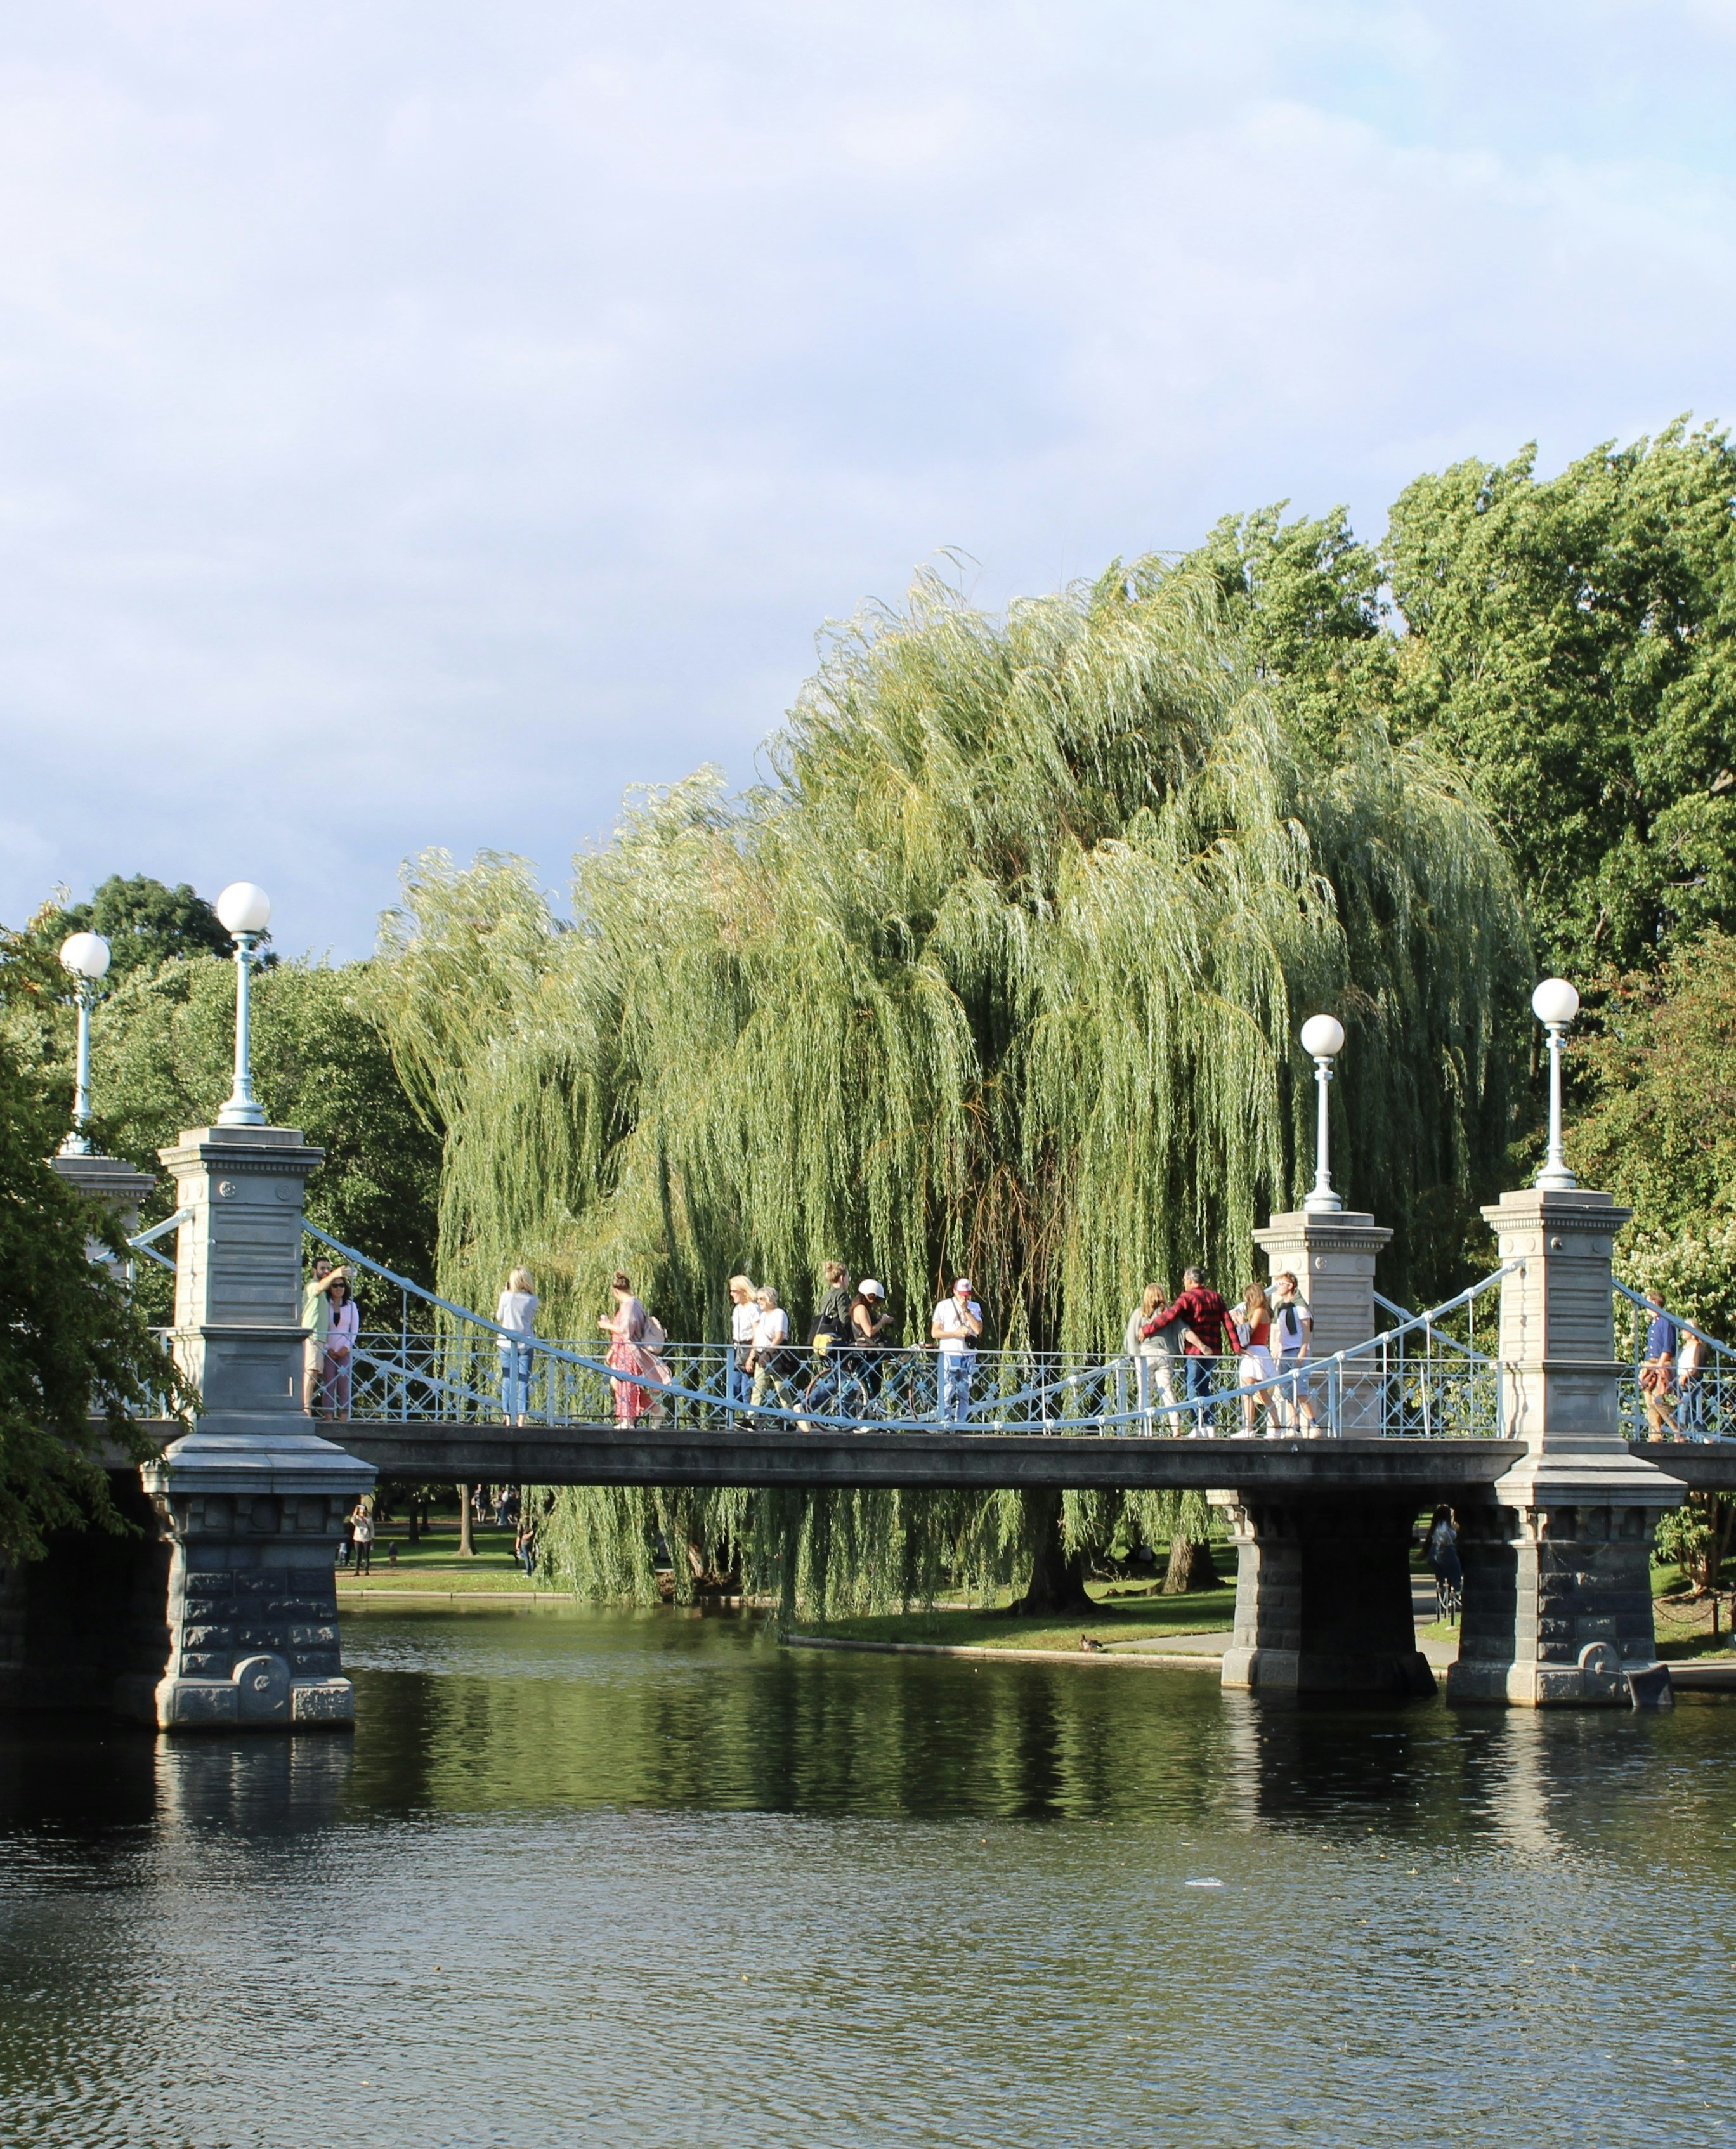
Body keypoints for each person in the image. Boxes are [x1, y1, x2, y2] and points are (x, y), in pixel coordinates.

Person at [1149, 1269, 1228, 1436]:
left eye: (1185, 1280)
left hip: (1194, 1351)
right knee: (1205, 1387)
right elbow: (1227, 1322)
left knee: (1192, 1386)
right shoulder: (1216, 1297)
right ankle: (1210, 1426)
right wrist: (1236, 1347)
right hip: (1213, 1351)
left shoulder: (1187, 1298)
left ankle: (1197, 1426)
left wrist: (1147, 1329)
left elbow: (1169, 1316)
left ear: (1191, 1281)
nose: (1184, 1283)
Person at [599, 1272, 658, 1426]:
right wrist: (613, 1349)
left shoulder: (629, 1306)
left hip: (628, 1352)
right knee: (623, 1384)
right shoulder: (635, 1303)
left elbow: (625, 1331)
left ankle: (628, 1420)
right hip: (624, 1351)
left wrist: (607, 1325)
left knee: (625, 1384)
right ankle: (654, 1410)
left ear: (616, 1291)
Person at [1123, 1284, 1180, 1430]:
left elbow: (1131, 1336)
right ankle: (1176, 1427)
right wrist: (1174, 1353)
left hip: (1145, 1356)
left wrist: (1135, 1355)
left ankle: (1145, 1427)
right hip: (1164, 1355)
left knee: (1144, 1393)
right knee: (1167, 1391)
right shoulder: (1169, 1314)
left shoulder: (1140, 1313)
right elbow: (1180, 1333)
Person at [1227, 1279, 1277, 1437]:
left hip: (1255, 1352)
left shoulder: (1259, 1311)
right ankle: (1277, 1427)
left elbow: (1250, 1331)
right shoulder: (1265, 1311)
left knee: (1248, 1391)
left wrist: (1240, 1322)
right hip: (1260, 1351)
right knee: (1262, 1393)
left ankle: (1249, 1429)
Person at [931, 1277, 983, 1427]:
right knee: (947, 1391)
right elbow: (935, 1333)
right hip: (949, 1354)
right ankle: (945, 1423)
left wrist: (966, 1310)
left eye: (967, 1294)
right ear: (954, 1291)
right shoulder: (944, 1306)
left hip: (968, 1355)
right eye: (961, 1294)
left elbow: (978, 1330)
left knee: (964, 1393)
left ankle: (961, 1425)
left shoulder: (974, 1306)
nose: (964, 1297)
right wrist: (956, 1333)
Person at [1270, 1272, 1317, 1433]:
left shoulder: (1300, 1307)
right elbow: (1278, 1331)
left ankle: (1313, 1423)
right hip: (1285, 1352)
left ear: (1290, 1286)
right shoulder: (1280, 1308)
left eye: (1280, 1284)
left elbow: (1306, 1332)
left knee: (1301, 1391)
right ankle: (1294, 1425)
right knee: (1287, 1392)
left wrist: (1303, 1352)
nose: (1278, 1287)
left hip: (1297, 1351)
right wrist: (1276, 1351)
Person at [301, 1257, 345, 1414]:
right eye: (323, 1268)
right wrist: (335, 1275)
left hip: (319, 1337)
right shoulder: (313, 1285)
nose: (326, 1271)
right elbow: (320, 1287)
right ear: (314, 1271)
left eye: (329, 1268)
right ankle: (305, 1410)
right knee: (310, 1372)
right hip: (312, 1335)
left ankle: (306, 1409)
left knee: (312, 1374)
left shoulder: (323, 1294)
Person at [495, 1268, 538, 1427]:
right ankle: (522, 1418)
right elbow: (529, 1318)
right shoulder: (533, 1299)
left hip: (506, 1343)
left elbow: (499, 1317)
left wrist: (506, 1293)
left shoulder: (506, 1296)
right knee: (524, 1381)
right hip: (526, 1343)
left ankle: (507, 1416)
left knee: (508, 1379)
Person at [747, 1286, 793, 1419]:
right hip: (762, 1357)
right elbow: (758, 1338)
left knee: (782, 1389)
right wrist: (752, 1357)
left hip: (775, 1356)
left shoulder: (780, 1314)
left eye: (762, 1299)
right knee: (757, 1389)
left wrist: (768, 1352)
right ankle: (751, 1419)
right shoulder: (763, 1316)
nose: (759, 1301)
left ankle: (789, 1420)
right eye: (758, 1299)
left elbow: (779, 1336)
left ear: (770, 1299)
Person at [321, 1275, 360, 1420]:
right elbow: (321, 1327)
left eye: (342, 1285)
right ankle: (328, 1416)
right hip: (328, 1350)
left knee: (344, 1384)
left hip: (345, 1350)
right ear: (330, 1288)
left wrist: (347, 1346)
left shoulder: (351, 1306)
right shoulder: (325, 1305)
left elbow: (355, 1329)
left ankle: (344, 1416)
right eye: (335, 1285)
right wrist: (326, 1347)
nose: (339, 1289)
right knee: (329, 1383)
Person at [1641, 1289, 1678, 1437]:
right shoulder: (1653, 1323)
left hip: (1661, 1362)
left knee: (1658, 1399)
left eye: (1648, 1301)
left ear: (1655, 1303)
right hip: (1651, 1363)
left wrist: (1660, 1366)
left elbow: (1667, 1347)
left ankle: (1677, 1429)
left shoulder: (1665, 1321)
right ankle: (1655, 1436)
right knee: (1649, 1401)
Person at [726, 1275, 757, 1412]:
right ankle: (735, 1420)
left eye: (734, 1291)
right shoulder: (737, 1309)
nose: (731, 1294)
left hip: (749, 1348)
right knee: (734, 1388)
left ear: (744, 1291)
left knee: (746, 1390)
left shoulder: (754, 1308)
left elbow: (757, 1334)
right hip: (737, 1348)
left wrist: (752, 1357)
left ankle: (751, 1419)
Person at [1426, 1505, 1462, 1619]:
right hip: (1446, 1550)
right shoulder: (1443, 1524)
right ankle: (1454, 1599)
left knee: (1441, 1579)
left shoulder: (1435, 1525)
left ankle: (1443, 1602)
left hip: (1434, 1551)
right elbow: (1443, 1532)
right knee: (1456, 1575)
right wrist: (1449, 1541)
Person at [1678, 1323, 1709, 1439]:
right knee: (1689, 1415)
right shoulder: (1683, 1347)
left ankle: (1680, 1436)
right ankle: (1707, 1435)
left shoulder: (1699, 1346)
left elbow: (1697, 1366)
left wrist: (1688, 1374)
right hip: (1680, 1382)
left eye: (1686, 1329)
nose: (1683, 1332)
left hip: (1692, 1381)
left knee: (1684, 1407)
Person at [349, 1499, 375, 1577]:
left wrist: (372, 1538)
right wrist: (355, 1510)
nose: (362, 1512)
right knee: (358, 1555)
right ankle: (357, 1570)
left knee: (366, 1555)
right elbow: (352, 1520)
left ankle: (366, 1570)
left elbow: (372, 1529)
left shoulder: (369, 1519)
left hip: (366, 1538)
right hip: (358, 1538)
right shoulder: (357, 1519)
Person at [514, 1513, 538, 1578]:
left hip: (524, 1542)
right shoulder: (533, 1520)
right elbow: (535, 1530)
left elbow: (519, 1534)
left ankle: (529, 1573)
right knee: (532, 1556)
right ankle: (534, 1571)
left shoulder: (522, 1522)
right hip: (533, 1541)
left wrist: (517, 1545)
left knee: (526, 1557)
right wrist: (530, 1535)